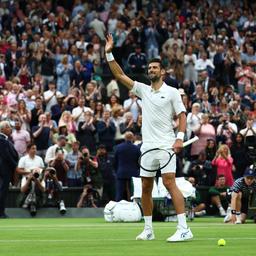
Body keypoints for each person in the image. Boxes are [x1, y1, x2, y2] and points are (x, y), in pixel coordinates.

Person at [105, 34, 193, 242]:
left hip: (166, 146)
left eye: (155, 68)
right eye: (150, 68)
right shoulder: (143, 90)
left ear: (162, 72)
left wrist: (179, 138)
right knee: (145, 187)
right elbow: (120, 75)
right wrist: (109, 53)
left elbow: (182, 115)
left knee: (169, 182)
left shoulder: (172, 92)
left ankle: (184, 228)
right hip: (147, 148)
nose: (151, 70)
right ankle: (148, 229)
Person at [114, 131, 140, 202]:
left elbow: (115, 161)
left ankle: (117, 209)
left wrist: (117, 170)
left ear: (125, 138)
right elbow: (139, 162)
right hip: (133, 173)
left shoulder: (118, 147)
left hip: (121, 172)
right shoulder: (137, 148)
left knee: (119, 193)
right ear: (133, 138)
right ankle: (134, 209)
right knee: (133, 193)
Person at [0, 121, 19, 218]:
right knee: (2, 191)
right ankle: (1, 213)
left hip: (6, 169)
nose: (10, 129)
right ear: (2, 129)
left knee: (3, 191)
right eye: (8, 127)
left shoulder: (6, 139)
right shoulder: (2, 139)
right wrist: (15, 166)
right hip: (4, 169)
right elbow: (6, 155)